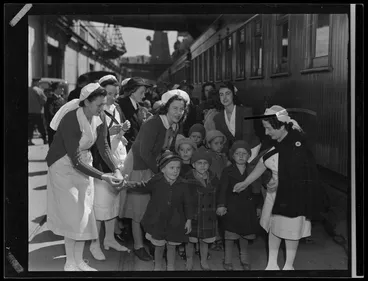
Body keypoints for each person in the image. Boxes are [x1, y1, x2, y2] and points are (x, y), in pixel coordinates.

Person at [46, 83, 124, 271]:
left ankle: (79, 261)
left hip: (83, 164)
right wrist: (104, 176)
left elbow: (103, 147)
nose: (102, 108)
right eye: (99, 105)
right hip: (62, 167)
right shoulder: (71, 119)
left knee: (84, 212)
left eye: (104, 104)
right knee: (73, 215)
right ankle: (70, 263)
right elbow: (75, 161)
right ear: (86, 102)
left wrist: (116, 170)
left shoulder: (100, 117)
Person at [233, 105, 320, 270]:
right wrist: (245, 183)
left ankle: (288, 266)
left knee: (290, 230)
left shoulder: (298, 145)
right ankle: (271, 263)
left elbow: (304, 174)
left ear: (280, 126)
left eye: (268, 128)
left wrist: (281, 182)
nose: (266, 133)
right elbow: (262, 163)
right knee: (273, 227)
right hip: (275, 195)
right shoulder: (278, 143)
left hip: (294, 196)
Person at [121, 89, 190, 261]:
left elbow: (167, 149)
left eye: (181, 109)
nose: (178, 113)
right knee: (139, 209)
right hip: (139, 166)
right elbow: (144, 153)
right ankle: (138, 246)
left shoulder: (174, 125)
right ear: (166, 108)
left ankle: (153, 241)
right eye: (175, 108)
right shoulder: (153, 123)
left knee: (154, 207)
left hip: (155, 166)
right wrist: (162, 172)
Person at [123, 151, 194, 271]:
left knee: (172, 246)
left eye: (178, 168)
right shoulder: (156, 180)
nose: (175, 171)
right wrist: (127, 184)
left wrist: (189, 220)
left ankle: (170, 266)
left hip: (175, 221)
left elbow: (188, 203)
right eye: (171, 167)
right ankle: (158, 266)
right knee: (159, 246)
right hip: (158, 220)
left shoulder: (183, 184)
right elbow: (142, 185)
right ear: (163, 169)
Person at [88, 75, 131, 261]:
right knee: (100, 206)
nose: (113, 97)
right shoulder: (96, 112)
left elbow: (114, 135)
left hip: (118, 157)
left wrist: (122, 131)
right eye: (110, 93)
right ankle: (94, 244)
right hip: (102, 164)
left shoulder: (117, 107)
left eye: (116, 93)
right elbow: (96, 144)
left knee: (113, 204)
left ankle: (109, 238)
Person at [216, 140, 263, 271]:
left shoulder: (253, 171)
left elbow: (258, 191)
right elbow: (222, 190)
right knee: (230, 235)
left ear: (249, 156)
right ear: (232, 156)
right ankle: (228, 259)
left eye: (244, 153)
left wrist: (259, 207)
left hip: (248, 208)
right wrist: (221, 205)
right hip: (232, 208)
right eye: (238, 153)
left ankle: (244, 258)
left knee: (245, 234)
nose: (241, 156)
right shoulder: (227, 171)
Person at [184, 146, 219, 271]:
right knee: (190, 241)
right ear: (193, 164)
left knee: (204, 241)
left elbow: (219, 194)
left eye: (205, 163)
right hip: (193, 214)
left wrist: (220, 206)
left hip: (208, 214)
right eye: (199, 163)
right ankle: (189, 261)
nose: (202, 166)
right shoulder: (188, 179)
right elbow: (184, 198)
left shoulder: (214, 178)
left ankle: (204, 261)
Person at [213, 82, 261, 163]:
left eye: (227, 93)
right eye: (221, 94)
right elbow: (224, 141)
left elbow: (247, 136)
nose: (224, 97)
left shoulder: (245, 111)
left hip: (251, 148)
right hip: (236, 152)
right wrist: (227, 157)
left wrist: (238, 156)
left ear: (233, 95)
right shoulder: (218, 118)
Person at [116, 77, 152, 152]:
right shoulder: (121, 105)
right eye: (141, 93)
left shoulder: (138, 107)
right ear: (132, 91)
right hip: (125, 149)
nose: (144, 96)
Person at [28, 78, 49, 145]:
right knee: (41, 126)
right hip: (38, 112)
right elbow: (44, 100)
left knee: (30, 127)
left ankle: (29, 140)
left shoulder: (28, 89)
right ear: (37, 83)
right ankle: (45, 140)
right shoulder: (38, 90)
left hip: (29, 112)